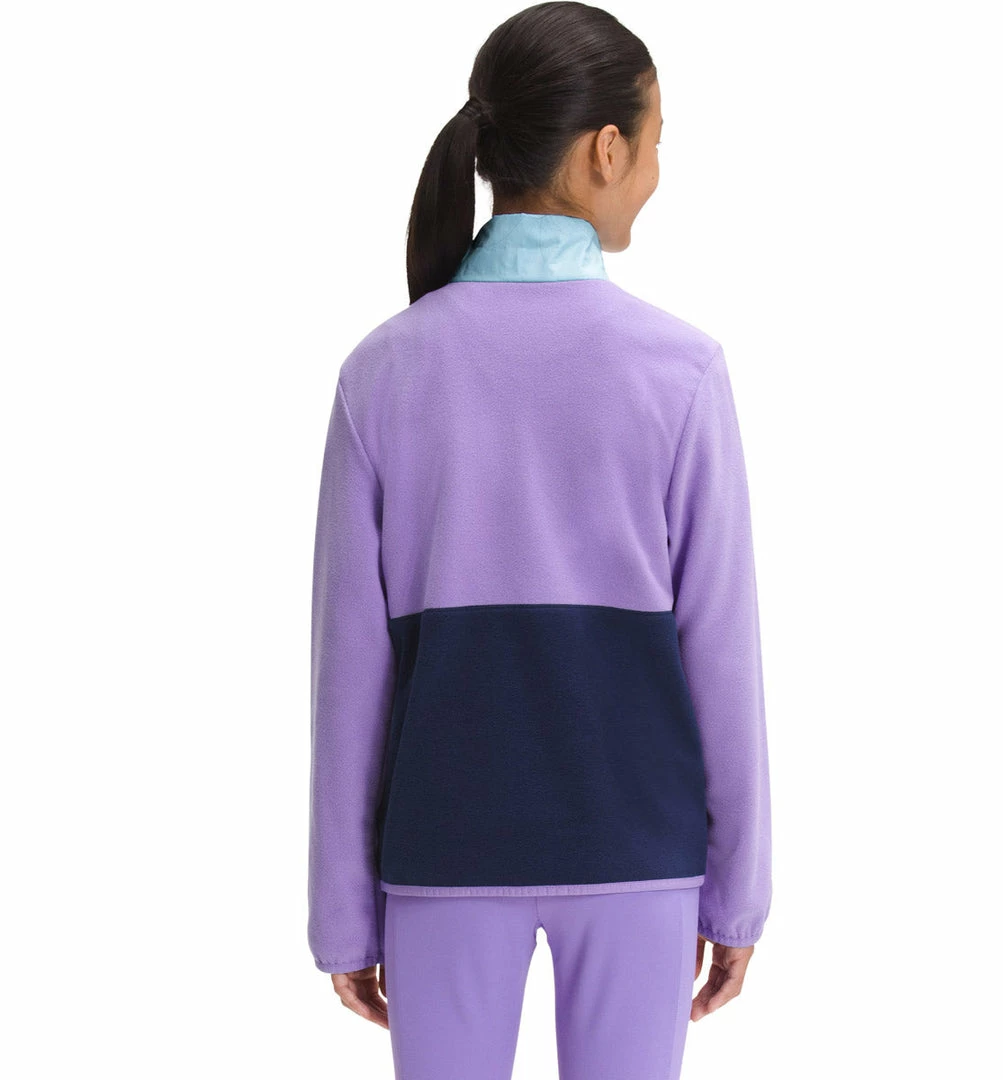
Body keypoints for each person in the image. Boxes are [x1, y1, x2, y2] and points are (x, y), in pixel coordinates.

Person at [307, 3, 773, 1077]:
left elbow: (348, 675)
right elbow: (722, 652)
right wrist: (739, 891)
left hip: (441, 855)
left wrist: (343, 913)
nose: (656, 172)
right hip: (639, 853)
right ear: (606, 150)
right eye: (656, 143)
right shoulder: (681, 372)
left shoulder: (382, 373)